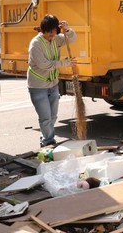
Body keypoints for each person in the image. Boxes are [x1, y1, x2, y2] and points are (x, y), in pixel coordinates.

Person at [27, 14, 77, 147]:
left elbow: (73, 38)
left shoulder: (56, 39)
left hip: (53, 84)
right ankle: (48, 141)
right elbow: (44, 64)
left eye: (54, 31)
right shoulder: (35, 44)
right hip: (38, 86)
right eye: (49, 32)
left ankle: (46, 137)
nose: (52, 34)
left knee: (53, 116)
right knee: (45, 117)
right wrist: (64, 63)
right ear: (43, 30)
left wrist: (67, 29)